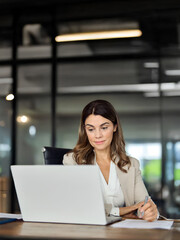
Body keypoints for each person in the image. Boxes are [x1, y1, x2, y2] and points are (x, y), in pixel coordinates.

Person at [63, 99, 158, 221]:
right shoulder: (73, 161)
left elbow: (143, 204)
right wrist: (121, 211)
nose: (98, 135)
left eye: (104, 127)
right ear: (85, 130)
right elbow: (79, 207)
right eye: (91, 129)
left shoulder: (131, 164)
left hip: (122, 233)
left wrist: (150, 211)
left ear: (115, 127)